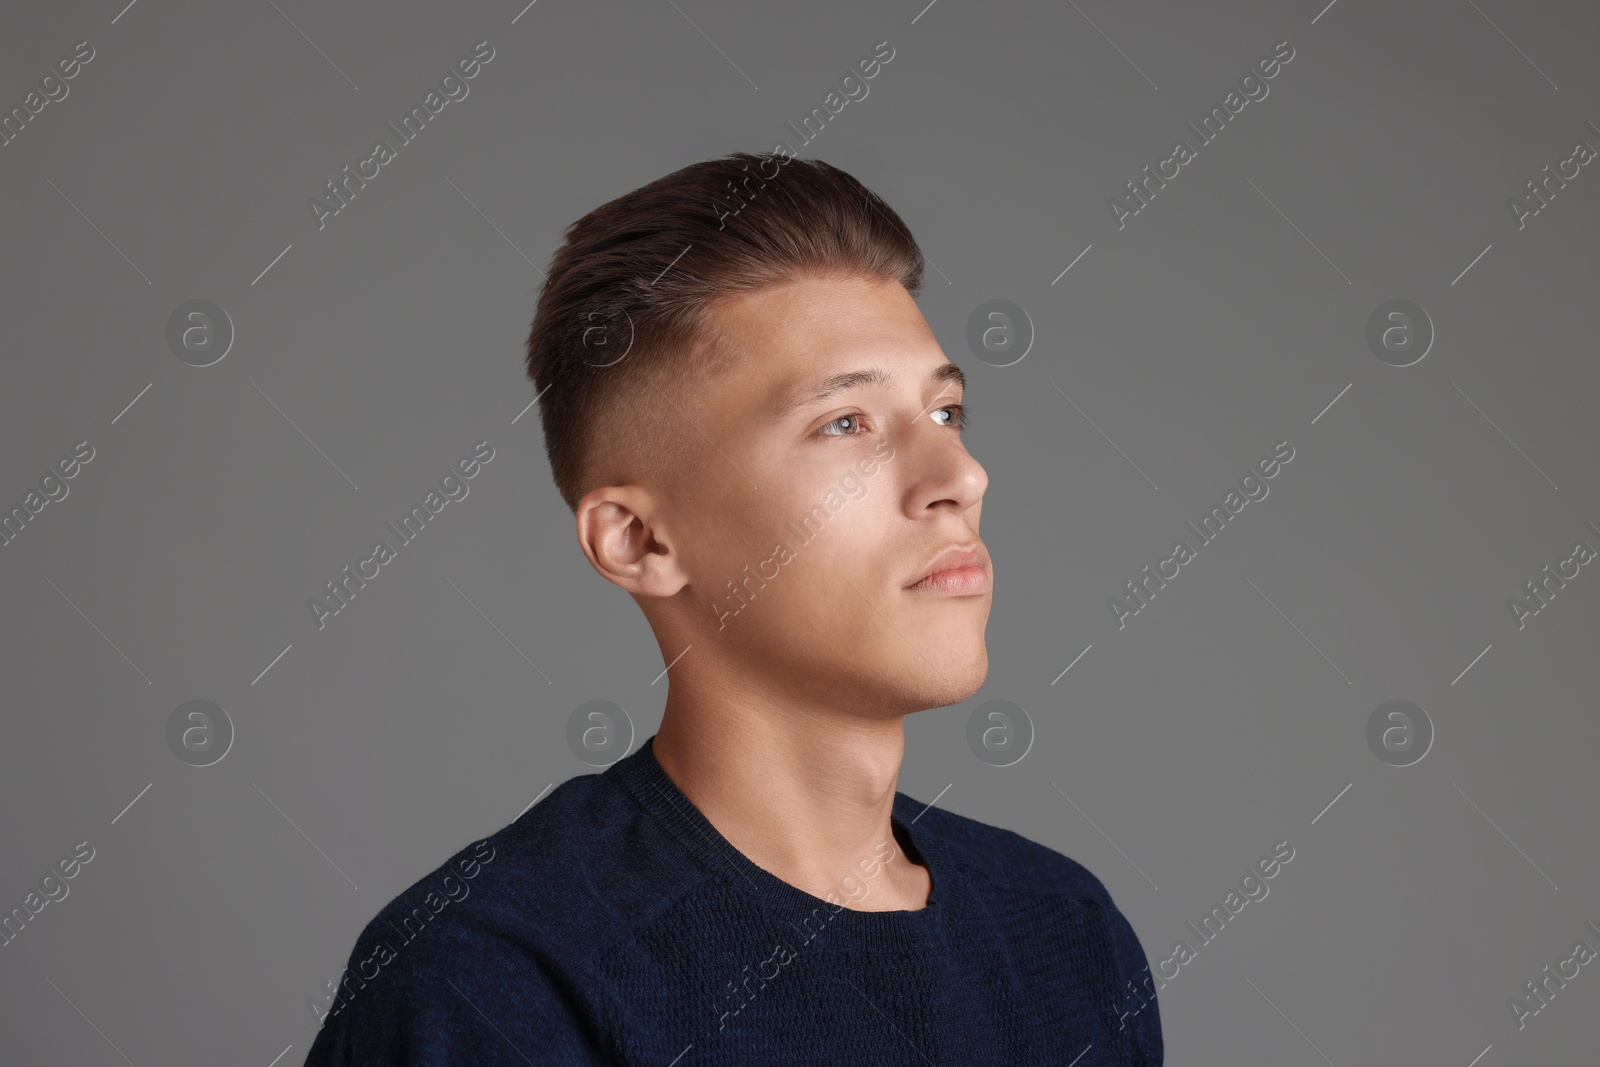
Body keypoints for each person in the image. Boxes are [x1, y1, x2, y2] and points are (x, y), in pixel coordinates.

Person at [303, 150, 1163, 1065]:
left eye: (946, 412)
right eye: (846, 424)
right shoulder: (490, 981)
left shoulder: (1065, 934)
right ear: (638, 541)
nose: (960, 477)